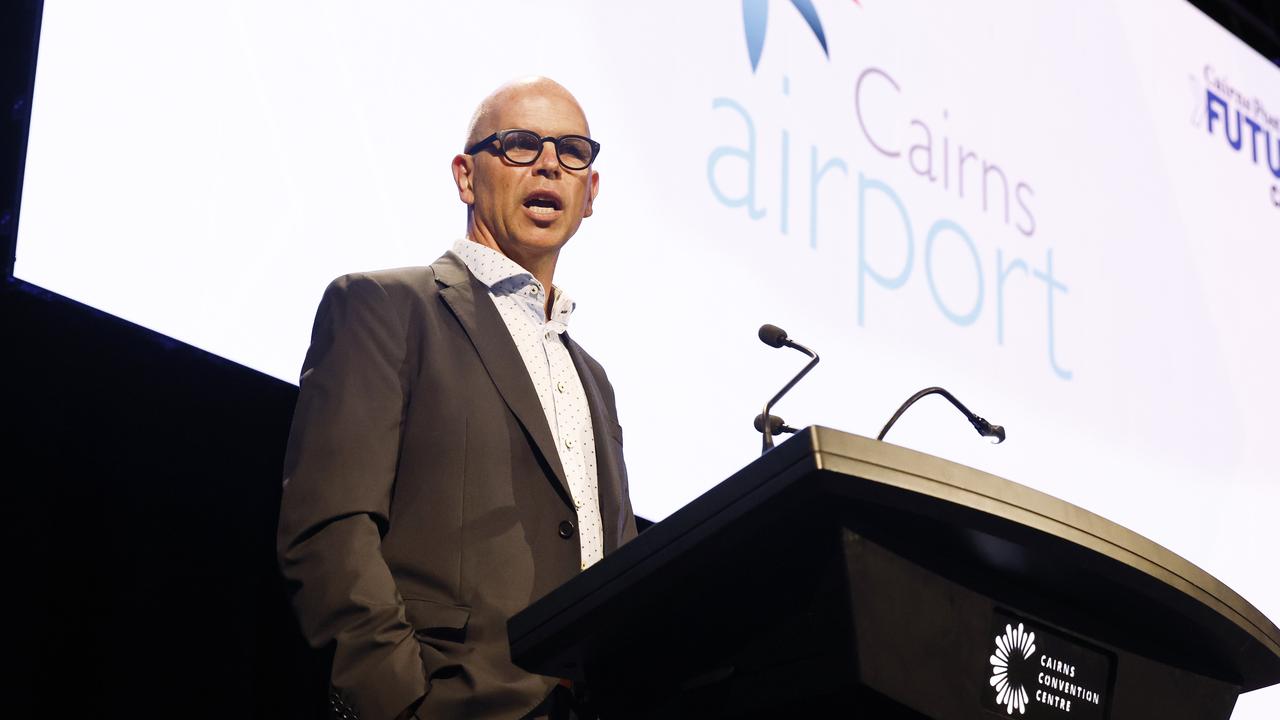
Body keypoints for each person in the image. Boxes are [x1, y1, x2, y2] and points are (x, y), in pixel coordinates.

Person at [277, 76, 637, 720]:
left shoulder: (594, 380)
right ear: (466, 177)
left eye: (573, 150)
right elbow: (330, 529)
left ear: (591, 195)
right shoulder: (384, 307)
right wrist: (398, 703)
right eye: (522, 145)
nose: (550, 163)